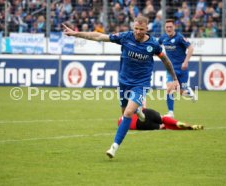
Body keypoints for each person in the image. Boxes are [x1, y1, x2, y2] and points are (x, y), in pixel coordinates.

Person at [63, 15, 179, 159]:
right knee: (124, 112)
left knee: (127, 114)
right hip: (124, 82)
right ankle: (138, 109)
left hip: (141, 84)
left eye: (141, 29)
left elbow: (166, 60)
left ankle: (114, 147)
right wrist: (76, 34)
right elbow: (99, 36)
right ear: (133, 27)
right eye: (136, 28)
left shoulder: (154, 45)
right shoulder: (125, 37)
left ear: (146, 28)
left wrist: (174, 78)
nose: (137, 32)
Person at [158, 19, 196, 118]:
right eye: (167, 27)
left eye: (170, 27)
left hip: (182, 69)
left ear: (174, 27)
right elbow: (156, 46)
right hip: (170, 69)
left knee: (181, 92)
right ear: (165, 28)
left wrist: (186, 62)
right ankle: (170, 112)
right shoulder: (163, 38)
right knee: (169, 88)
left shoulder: (179, 38)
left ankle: (189, 92)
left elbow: (191, 48)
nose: (169, 29)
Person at [118, 108, 204, 131]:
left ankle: (184, 127)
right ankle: (178, 123)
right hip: (147, 112)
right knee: (163, 118)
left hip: (141, 124)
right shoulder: (130, 110)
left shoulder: (121, 123)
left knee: (164, 126)